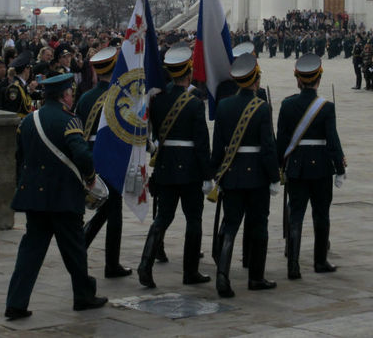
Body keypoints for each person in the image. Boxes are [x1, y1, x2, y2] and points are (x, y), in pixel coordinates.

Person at [4, 73, 107, 320]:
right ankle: (83, 295)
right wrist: (91, 176)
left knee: (30, 251)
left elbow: (20, 157)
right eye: (70, 93)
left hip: (34, 198)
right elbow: (82, 155)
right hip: (63, 196)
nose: (72, 97)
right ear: (64, 95)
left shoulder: (28, 121)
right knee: (74, 249)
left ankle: (16, 302)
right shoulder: (69, 121)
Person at [137, 45, 211, 289]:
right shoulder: (194, 103)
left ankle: (145, 264)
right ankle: (190, 271)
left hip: (166, 165)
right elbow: (201, 144)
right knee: (194, 220)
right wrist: (207, 174)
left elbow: (157, 134)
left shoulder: (157, 100)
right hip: (189, 169)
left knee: (162, 218)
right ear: (188, 73)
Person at [211, 53, 279, 298]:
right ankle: (256, 277)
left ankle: (222, 276)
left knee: (230, 225)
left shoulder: (224, 105)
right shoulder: (262, 107)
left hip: (232, 173)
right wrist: (274, 177)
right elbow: (268, 147)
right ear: (256, 80)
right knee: (259, 225)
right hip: (257, 177)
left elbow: (217, 145)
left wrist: (212, 173)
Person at [276, 54, 346, 280]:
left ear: (298, 79)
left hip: (296, 166)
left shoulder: (287, 104)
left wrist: (279, 167)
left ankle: (293, 266)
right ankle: (319, 261)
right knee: (321, 214)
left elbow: (282, 141)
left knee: (296, 215)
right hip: (322, 167)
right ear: (319, 78)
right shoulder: (326, 107)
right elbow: (332, 140)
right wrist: (340, 168)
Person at [74, 47, 131, 278]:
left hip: (90, 156)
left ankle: (82, 247)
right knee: (114, 210)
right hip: (112, 157)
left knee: (106, 208)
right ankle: (111, 263)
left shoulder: (85, 97)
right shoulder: (120, 97)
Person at [2, 52, 34, 118]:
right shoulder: (15, 87)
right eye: (29, 69)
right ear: (26, 69)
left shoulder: (22, 85)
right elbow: (14, 109)